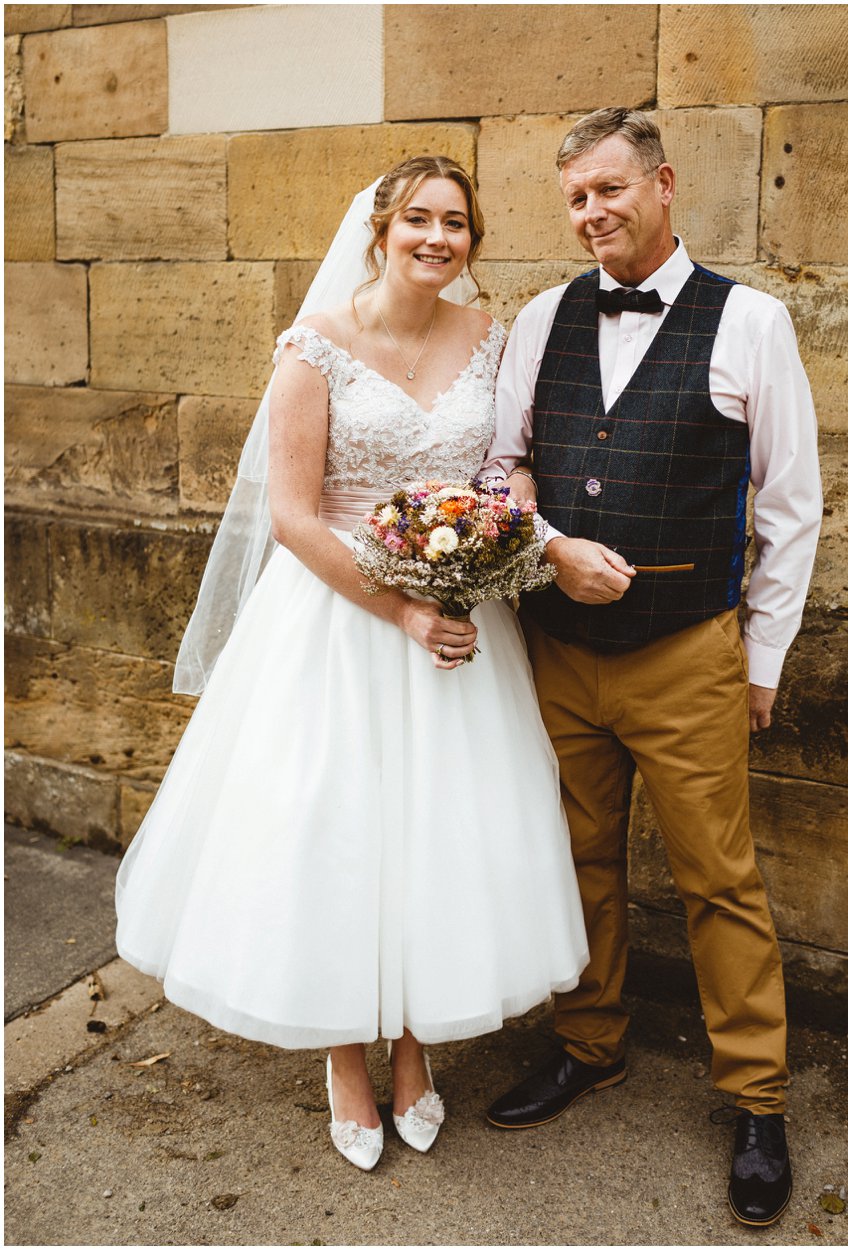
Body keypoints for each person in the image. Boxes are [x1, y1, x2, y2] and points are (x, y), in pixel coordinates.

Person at [115, 157, 591, 1173]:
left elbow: (503, 464)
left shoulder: (488, 338)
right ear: (379, 231)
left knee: (437, 831)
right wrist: (403, 608)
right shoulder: (314, 350)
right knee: (332, 831)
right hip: (336, 618)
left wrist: (496, 528)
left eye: (454, 222)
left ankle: (416, 1048)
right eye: (416, 218)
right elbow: (291, 514)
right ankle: (343, 1052)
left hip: (460, 621)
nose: (436, 236)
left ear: (471, 239)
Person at [477, 108, 822, 1227]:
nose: (591, 214)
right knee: (574, 859)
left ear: (663, 185)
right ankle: (589, 1043)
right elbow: (504, 462)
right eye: (575, 197)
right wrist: (544, 548)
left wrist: (759, 656)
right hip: (559, 649)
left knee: (719, 878)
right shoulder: (539, 318)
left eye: (609, 190)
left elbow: (789, 506)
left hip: (687, 649)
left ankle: (757, 1099)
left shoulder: (752, 322)